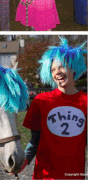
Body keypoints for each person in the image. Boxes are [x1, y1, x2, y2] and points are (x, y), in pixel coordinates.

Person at [16, 37, 87, 179]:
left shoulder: (87, 101)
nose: (57, 72)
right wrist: (23, 162)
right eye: (53, 69)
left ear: (74, 67)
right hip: (45, 176)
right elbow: (34, 141)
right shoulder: (40, 101)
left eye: (61, 66)